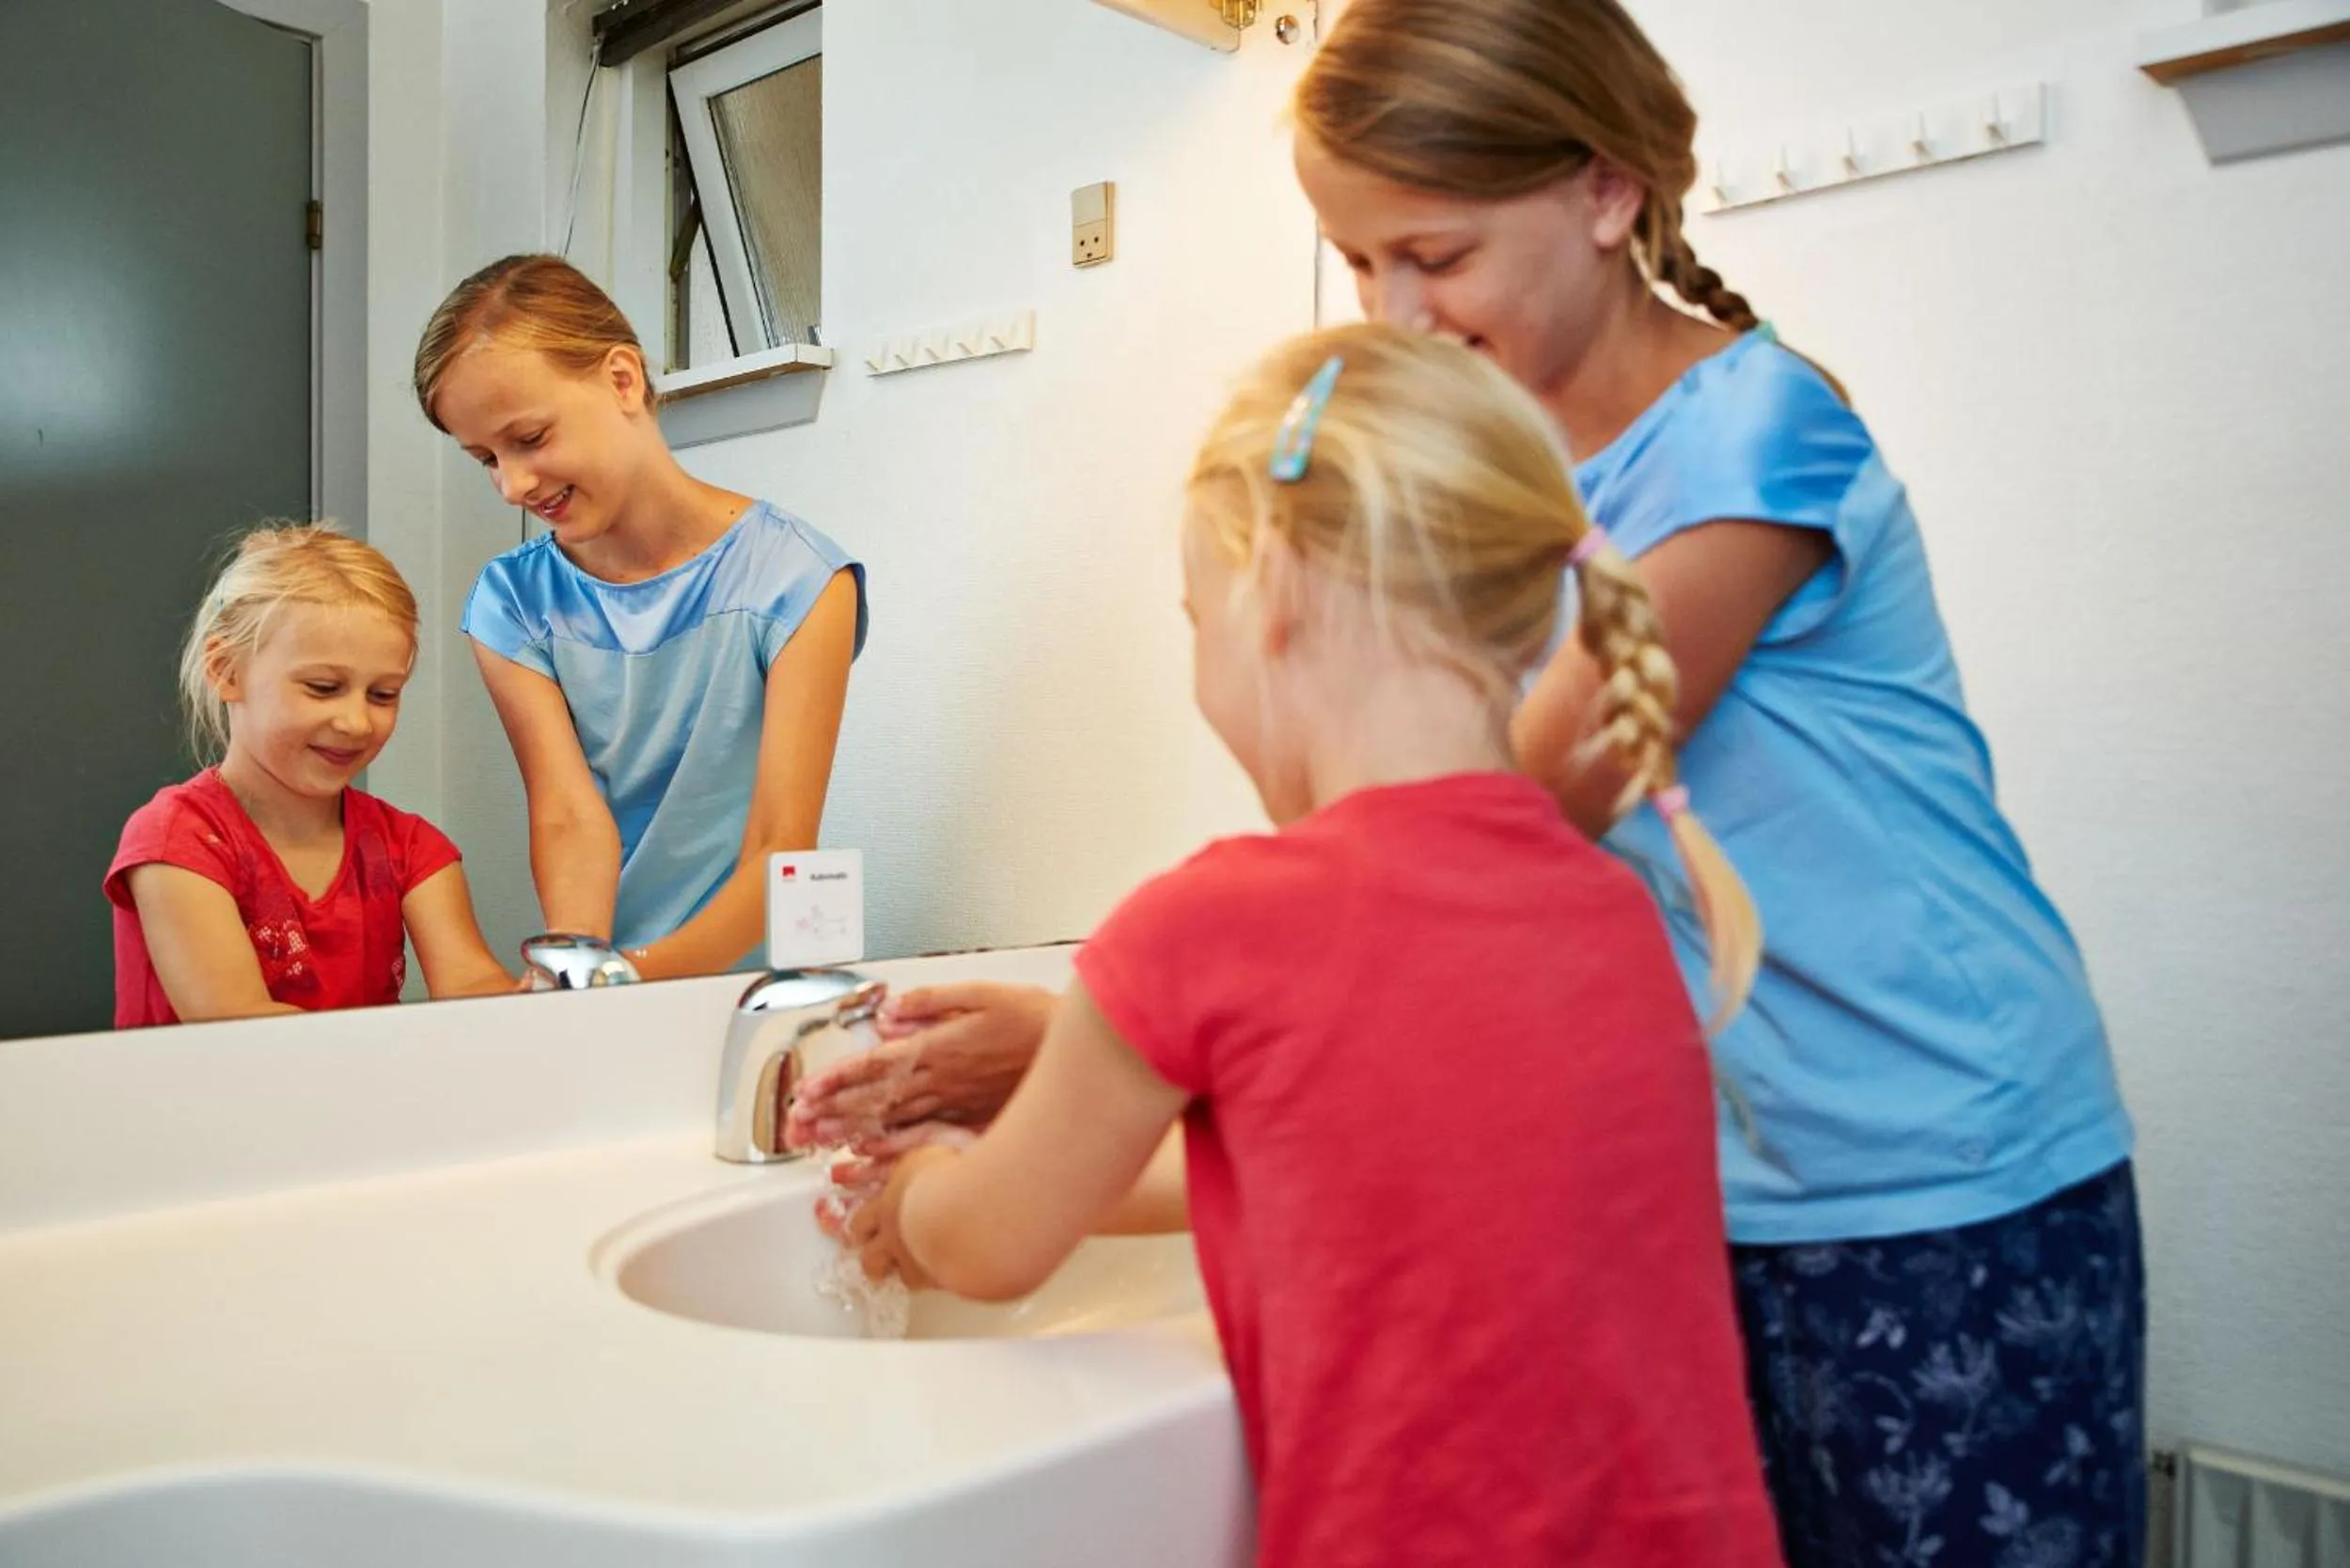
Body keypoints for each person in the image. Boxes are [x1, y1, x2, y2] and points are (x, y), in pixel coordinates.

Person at [808, 6, 2148, 1564]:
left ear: (1604, 191)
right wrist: (1109, 1048)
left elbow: (1459, 841)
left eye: (1431, 257)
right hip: (1700, 1180)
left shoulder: (1749, 441)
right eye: (1356, 262)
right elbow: (1407, 993)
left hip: (1932, 1174)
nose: (1394, 312)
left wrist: (1122, 1047)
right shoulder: (1491, 504)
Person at [838, 322, 1781, 1568]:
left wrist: (909, 1199)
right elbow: (1352, 1175)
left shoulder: (1210, 928)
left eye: (1194, 617)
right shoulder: (1605, 906)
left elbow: (995, 1244)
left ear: (1269, 597)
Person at [415, 255, 866, 978]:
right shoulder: (512, 605)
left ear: (623, 380)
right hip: (605, 981)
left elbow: (779, 846)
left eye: (528, 440)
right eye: (485, 459)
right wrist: (584, 966)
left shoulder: (799, 581)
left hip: (750, 985)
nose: (511, 485)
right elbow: (568, 817)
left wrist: (634, 979)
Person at [107, 525, 512, 1027]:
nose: (356, 722)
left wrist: (549, 1003)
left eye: (383, 695)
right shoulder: (179, 838)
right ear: (227, 671)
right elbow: (234, 1023)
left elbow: (472, 988)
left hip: (351, 1099)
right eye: (324, 688)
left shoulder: (411, 849)